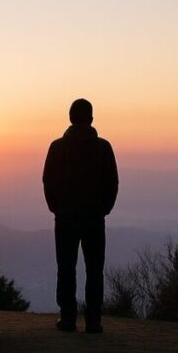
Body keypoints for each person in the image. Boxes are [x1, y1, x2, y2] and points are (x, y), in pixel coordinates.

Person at [42, 98, 118, 333]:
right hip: (94, 218)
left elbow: (48, 181)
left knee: (66, 267)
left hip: (66, 217)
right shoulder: (103, 147)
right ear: (92, 119)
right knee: (95, 269)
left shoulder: (57, 147)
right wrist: (103, 209)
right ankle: (93, 320)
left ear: (70, 118)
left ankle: (68, 319)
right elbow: (112, 182)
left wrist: (56, 207)